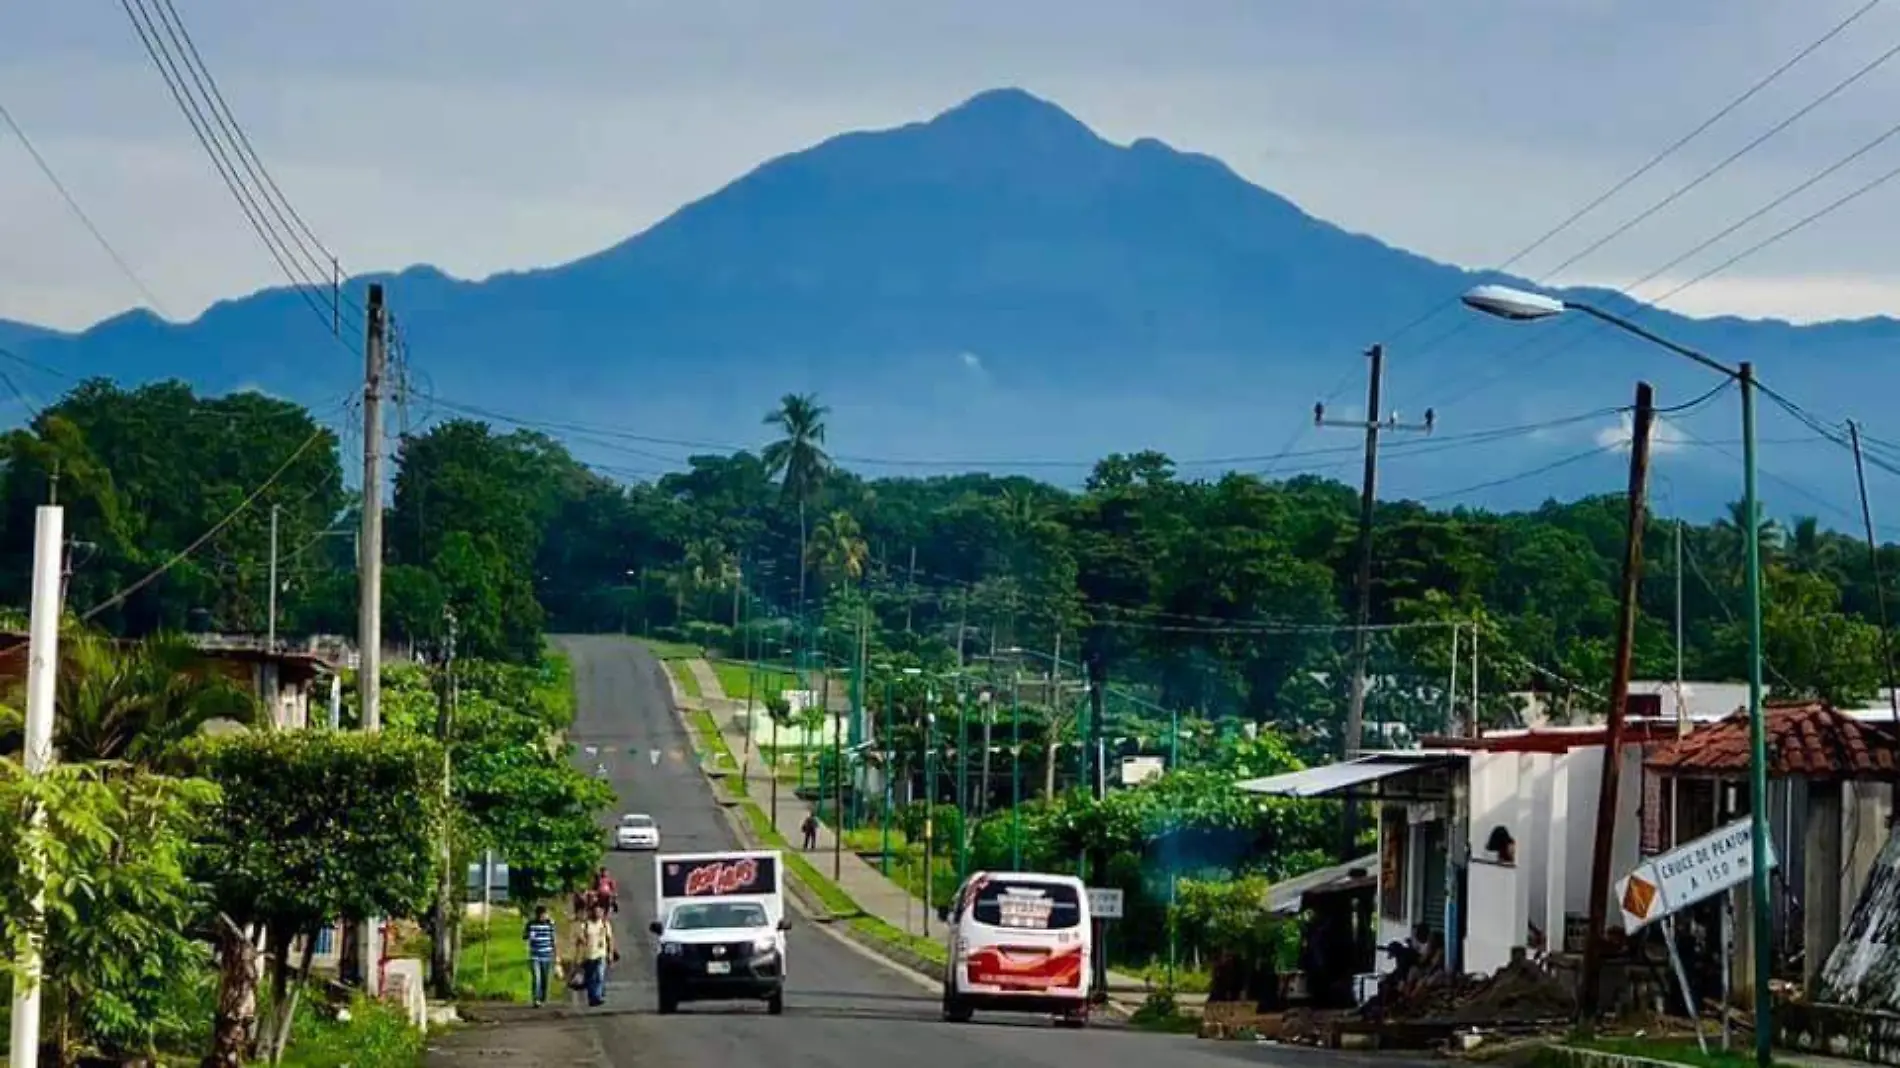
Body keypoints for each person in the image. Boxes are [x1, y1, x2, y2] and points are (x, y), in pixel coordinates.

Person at [574, 904, 618, 1007]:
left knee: (599, 975)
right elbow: (579, 941)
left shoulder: (604, 924)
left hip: (600, 954)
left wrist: (610, 954)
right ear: (591, 913)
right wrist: (578, 956)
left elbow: (610, 939)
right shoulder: (586, 925)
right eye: (595, 911)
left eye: (599, 912)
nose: (597, 914)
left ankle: (597, 996)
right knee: (590, 977)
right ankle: (592, 997)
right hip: (588, 955)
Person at [523, 905, 560, 1007]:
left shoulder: (550, 925)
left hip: (547, 955)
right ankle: (536, 999)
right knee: (536, 978)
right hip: (535, 956)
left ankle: (543, 998)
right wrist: (529, 934)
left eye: (545, 914)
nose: (544, 916)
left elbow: (554, 940)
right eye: (542, 914)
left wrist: (556, 956)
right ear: (538, 915)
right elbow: (524, 936)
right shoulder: (531, 924)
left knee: (545, 979)